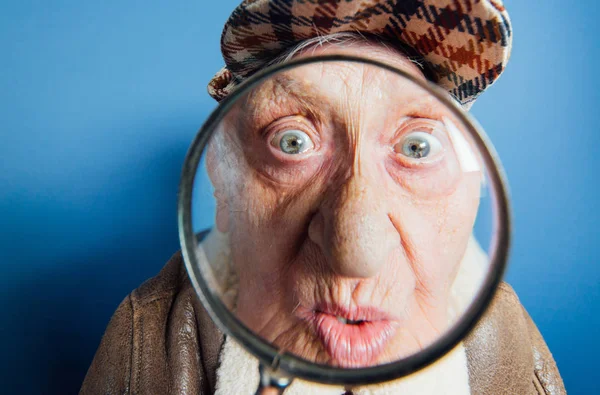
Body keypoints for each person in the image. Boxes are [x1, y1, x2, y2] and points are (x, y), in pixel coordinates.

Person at [81, 1, 565, 394]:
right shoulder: (146, 338)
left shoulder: (506, 335)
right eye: (291, 141)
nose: (356, 253)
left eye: (417, 146)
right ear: (222, 185)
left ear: (468, 189)